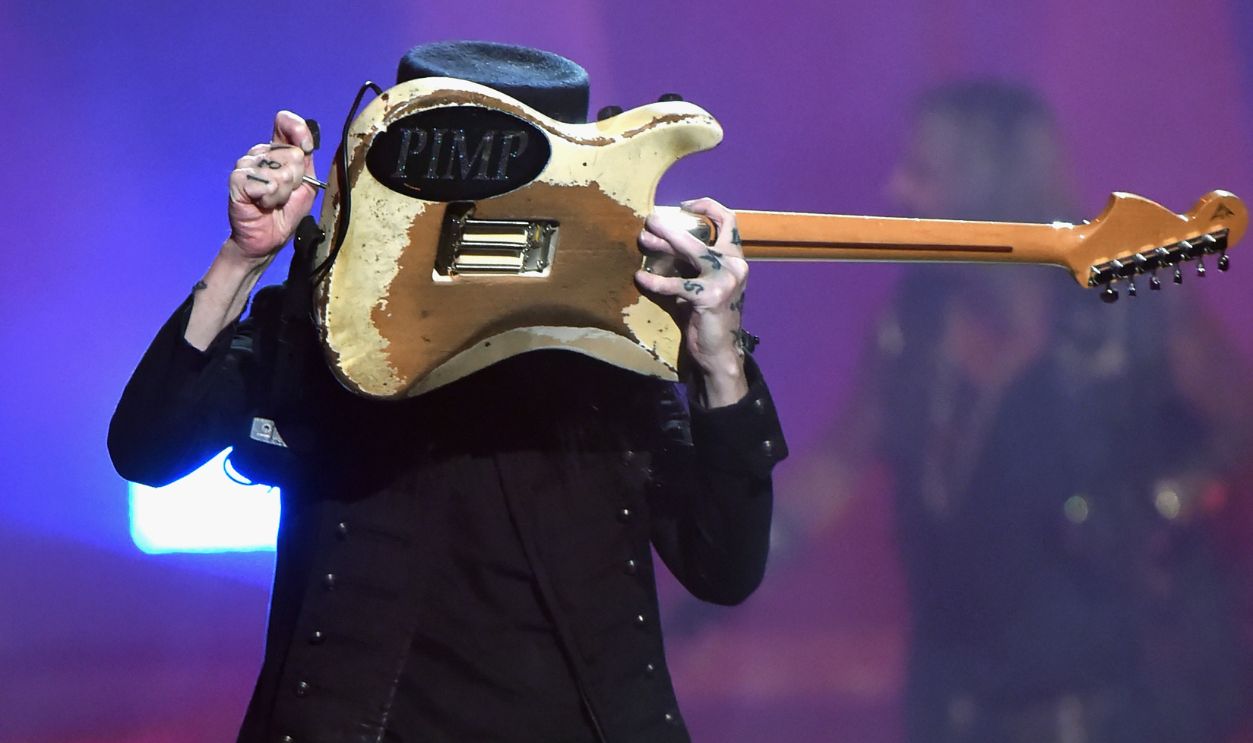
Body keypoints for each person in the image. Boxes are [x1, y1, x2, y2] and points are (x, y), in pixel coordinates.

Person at [108, 41, 787, 743]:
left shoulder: (607, 348)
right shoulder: (330, 319)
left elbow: (724, 564)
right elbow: (147, 449)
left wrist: (718, 355)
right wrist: (243, 259)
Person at [779, 81, 1250, 742]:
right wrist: (742, 548)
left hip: (1112, 710)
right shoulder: (912, 324)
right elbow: (839, 460)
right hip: (957, 711)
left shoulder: (1127, 316)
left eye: (923, 173)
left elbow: (1241, 421)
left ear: (992, 184)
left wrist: (1168, 496)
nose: (897, 193)